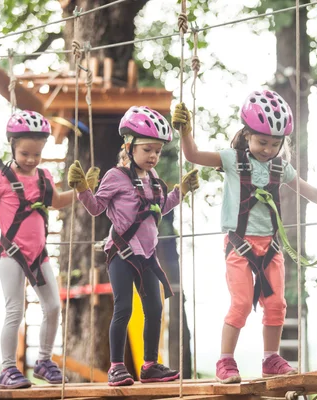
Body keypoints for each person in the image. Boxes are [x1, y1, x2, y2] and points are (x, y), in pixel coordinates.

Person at [172, 90, 317, 383]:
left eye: (275, 144)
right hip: (240, 244)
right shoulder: (232, 160)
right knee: (242, 303)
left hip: (271, 247)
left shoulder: (280, 168)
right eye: (262, 142)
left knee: (276, 305)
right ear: (247, 135)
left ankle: (271, 358)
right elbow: (193, 155)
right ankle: (226, 361)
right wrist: (185, 132)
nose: (268, 149)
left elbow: (310, 192)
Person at [67, 106, 199, 386]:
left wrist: (181, 192)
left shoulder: (154, 181)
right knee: (123, 308)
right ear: (129, 147)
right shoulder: (116, 176)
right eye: (148, 149)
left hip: (147, 257)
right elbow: (96, 207)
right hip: (122, 255)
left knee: (154, 309)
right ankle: (117, 366)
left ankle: (149, 365)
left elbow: (161, 207)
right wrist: (82, 190)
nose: (153, 156)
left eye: (158, 151)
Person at [0, 110, 75, 389]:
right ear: (12, 146)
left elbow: (57, 202)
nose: (32, 159)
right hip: (11, 254)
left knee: (53, 306)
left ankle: (44, 362)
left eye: (37, 153)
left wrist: (83, 191)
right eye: (25, 153)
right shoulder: (1, 177)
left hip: (39, 254)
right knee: (15, 311)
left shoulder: (44, 176)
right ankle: (8, 369)